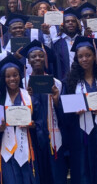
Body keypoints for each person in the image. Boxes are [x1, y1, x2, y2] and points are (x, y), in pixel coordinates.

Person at [0, 54, 39, 184]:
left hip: (27, 150)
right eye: (8, 76)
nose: (12, 79)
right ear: (3, 79)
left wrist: (32, 125)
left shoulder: (30, 99)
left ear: (20, 76)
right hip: (5, 152)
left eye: (15, 75)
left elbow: (40, 124)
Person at [62, 36, 97, 184]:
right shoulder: (70, 81)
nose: (84, 59)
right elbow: (66, 108)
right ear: (76, 59)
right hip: (80, 131)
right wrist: (73, 111)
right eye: (80, 56)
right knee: (82, 166)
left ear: (95, 56)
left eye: (88, 55)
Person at [20, 40, 66, 184]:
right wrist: (27, 97)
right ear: (28, 60)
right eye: (33, 57)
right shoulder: (22, 83)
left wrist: (56, 98)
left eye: (41, 56)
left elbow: (64, 113)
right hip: (32, 133)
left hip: (52, 132)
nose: (37, 59)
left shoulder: (56, 83)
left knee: (55, 171)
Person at [52, 8, 83, 80]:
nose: (70, 23)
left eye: (73, 21)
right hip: (64, 80)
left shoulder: (83, 41)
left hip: (81, 79)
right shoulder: (57, 43)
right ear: (63, 24)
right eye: (67, 21)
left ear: (77, 24)